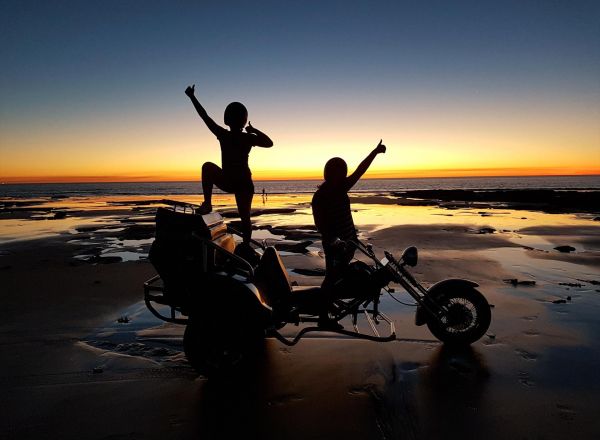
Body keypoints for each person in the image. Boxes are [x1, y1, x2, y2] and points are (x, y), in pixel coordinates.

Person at [185, 84, 273, 243]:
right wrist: (254, 130)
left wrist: (192, 97)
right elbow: (269, 143)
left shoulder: (223, 134)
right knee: (245, 217)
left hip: (232, 182)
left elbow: (204, 116)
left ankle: (208, 203)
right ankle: (246, 245)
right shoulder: (247, 138)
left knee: (207, 167)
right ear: (244, 120)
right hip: (243, 182)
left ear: (227, 119)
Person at [312, 140, 386, 326]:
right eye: (337, 172)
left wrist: (375, 152)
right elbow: (320, 225)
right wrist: (335, 241)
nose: (341, 175)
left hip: (349, 243)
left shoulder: (342, 187)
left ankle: (329, 305)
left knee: (339, 276)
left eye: (342, 172)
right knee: (331, 278)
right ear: (329, 173)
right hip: (335, 246)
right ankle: (323, 317)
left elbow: (361, 170)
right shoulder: (320, 196)